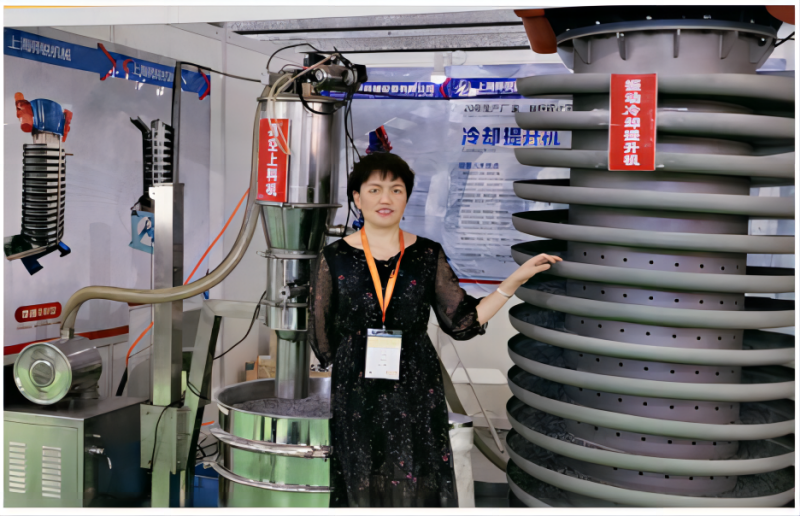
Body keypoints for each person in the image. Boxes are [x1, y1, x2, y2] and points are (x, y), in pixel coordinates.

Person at [308, 153, 561, 507]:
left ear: (406, 198)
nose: (385, 198)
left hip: (415, 384)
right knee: (360, 472)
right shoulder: (333, 257)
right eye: (375, 189)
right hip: (357, 389)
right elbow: (320, 333)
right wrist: (356, 352)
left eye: (396, 190)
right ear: (357, 198)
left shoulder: (427, 254)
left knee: (418, 472)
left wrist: (514, 280)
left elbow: (461, 321)